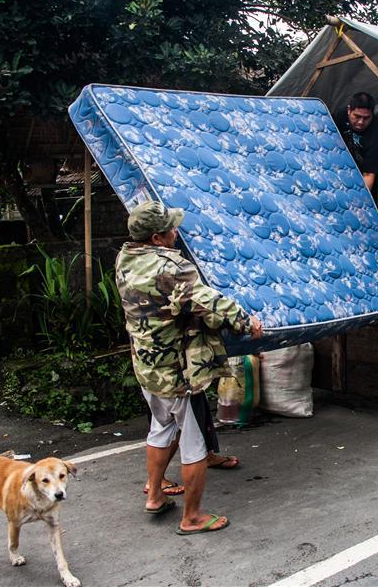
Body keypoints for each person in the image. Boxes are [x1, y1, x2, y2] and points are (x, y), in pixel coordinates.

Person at [116, 200, 263, 534]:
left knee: (161, 427)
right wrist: (246, 322)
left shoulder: (125, 257)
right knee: (193, 443)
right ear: (156, 237)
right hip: (178, 371)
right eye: (170, 227)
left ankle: (155, 494)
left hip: (147, 364)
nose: (176, 231)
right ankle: (192, 517)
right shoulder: (171, 265)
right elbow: (208, 301)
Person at [336, 92, 378, 239]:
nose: (360, 122)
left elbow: (368, 175)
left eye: (366, 118)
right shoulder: (339, 118)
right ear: (349, 111)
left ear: (373, 115)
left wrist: (359, 204)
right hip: (358, 163)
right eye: (357, 117)